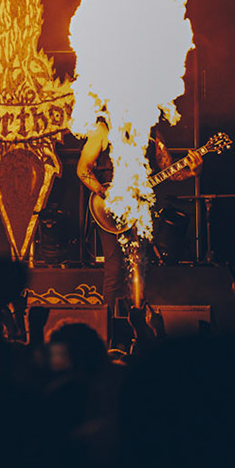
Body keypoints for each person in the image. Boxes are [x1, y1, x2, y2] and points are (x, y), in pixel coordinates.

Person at [76, 116, 175, 320]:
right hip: (109, 209)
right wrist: (105, 192)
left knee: (139, 266)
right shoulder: (102, 130)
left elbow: (171, 172)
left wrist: (193, 169)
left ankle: (139, 324)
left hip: (138, 210)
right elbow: (82, 170)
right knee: (114, 268)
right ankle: (108, 325)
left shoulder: (152, 132)